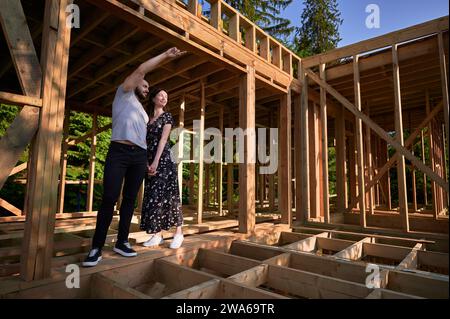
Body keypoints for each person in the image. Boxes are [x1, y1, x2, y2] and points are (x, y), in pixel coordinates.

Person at [82, 48, 185, 267]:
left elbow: (156, 138)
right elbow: (141, 70)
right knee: (109, 198)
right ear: (135, 83)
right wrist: (166, 56)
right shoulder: (124, 93)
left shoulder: (143, 112)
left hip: (139, 156)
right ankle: (96, 247)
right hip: (118, 152)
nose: (147, 89)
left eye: (149, 87)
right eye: (145, 85)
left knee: (129, 201)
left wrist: (152, 161)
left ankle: (122, 242)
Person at [140, 88, 184, 249]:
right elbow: (142, 141)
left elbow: (164, 140)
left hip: (164, 160)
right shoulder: (147, 119)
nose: (164, 98)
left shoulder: (167, 116)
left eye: (166, 96)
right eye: (161, 95)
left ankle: (178, 233)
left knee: (170, 195)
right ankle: (156, 235)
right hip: (149, 161)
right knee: (153, 196)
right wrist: (146, 163)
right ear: (153, 99)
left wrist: (156, 161)